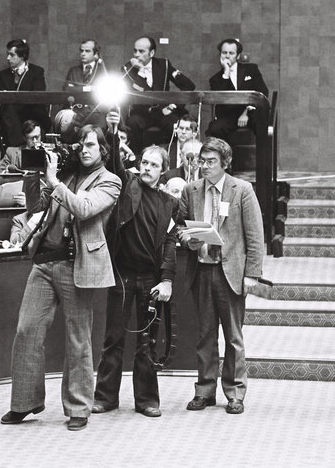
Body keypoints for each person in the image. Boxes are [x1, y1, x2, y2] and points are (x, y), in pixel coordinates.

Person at [0, 125, 121, 432]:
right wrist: (33, 176)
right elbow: (36, 208)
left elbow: (84, 209)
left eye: (91, 144)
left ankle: (78, 407)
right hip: (44, 262)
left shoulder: (110, 181)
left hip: (75, 264)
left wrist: (55, 182)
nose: (84, 149)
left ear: (103, 150)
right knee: (27, 329)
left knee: (77, 338)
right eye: (81, 144)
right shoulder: (65, 175)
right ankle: (24, 402)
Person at [177, 137, 264, 415]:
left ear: (225, 163)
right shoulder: (190, 191)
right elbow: (179, 227)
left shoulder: (242, 190)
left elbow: (255, 236)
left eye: (211, 161)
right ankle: (204, 390)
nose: (204, 166)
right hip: (201, 269)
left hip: (232, 273)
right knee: (204, 335)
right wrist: (186, 239)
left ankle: (235, 392)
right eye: (202, 161)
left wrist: (252, 274)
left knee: (233, 336)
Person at [92, 137, 178, 418]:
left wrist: (166, 279)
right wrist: (114, 132)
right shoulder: (127, 185)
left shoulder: (169, 204)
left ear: (163, 170)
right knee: (113, 339)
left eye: (154, 165)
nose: (147, 168)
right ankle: (105, 398)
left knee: (148, 344)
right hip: (122, 276)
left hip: (150, 280)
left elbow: (169, 243)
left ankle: (146, 400)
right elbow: (115, 161)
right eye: (144, 162)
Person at [121, 36, 195, 152]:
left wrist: (174, 106)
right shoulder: (128, 69)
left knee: (174, 124)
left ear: (151, 53)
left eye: (141, 51)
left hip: (163, 112)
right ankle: (135, 160)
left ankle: (174, 159)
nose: (136, 54)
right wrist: (140, 72)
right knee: (132, 123)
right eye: (135, 50)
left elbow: (188, 86)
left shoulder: (163, 65)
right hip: (142, 114)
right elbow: (138, 93)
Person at [207, 38, 269, 141]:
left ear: (238, 56)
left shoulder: (251, 70)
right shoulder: (215, 79)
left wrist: (246, 113)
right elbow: (220, 102)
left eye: (231, 53)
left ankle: (263, 156)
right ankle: (226, 156)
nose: (227, 56)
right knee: (215, 129)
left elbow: (263, 92)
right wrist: (226, 73)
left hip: (251, 111)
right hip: (229, 116)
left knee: (260, 121)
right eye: (224, 53)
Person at [0, 39, 51, 148]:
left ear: (23, 56)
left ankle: (18, 148)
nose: (8, 58)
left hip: (31, 112)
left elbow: (38, 96)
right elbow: (0, 98)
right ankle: (17, 148)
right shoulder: (3, 75)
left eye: (12, 55)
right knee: (8, 110)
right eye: (7, 54)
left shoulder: (37, 72)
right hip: (10, 117)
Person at [54, 39, 107, 134]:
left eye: (87, 51)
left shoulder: (102, 71)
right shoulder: (73, 71)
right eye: (81, 50)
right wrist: (89, 88)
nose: (83, 53)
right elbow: (68, 90)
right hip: (76, 111)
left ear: (96, 54)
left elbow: (102, 91)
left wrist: (77, 89)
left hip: (96, 111)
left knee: (100, 128)